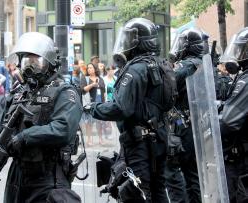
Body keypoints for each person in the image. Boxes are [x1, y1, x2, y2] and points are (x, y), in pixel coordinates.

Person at [85, 18, 170, 202]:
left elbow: (120, 107)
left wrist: (93, 108)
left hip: (139, 143)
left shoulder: (135, 70)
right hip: (160, 138)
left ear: (138, 42)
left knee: (137, 192)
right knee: (158, 189)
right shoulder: (162, 65)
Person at [0, 32, 82, 203]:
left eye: (36, 61)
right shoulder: (20, 93)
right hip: (18, 176)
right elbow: (4, 129)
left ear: (50, 63)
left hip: (48, 177)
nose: (30, 67)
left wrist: (25, 137)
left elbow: (63, 129)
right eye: (26, 62)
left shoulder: (65, 92)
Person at [166, 28, 207, 203]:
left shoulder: (190, 64)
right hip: (194, 125)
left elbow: (168, 78)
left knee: (175, 175)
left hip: (184, 128)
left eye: (182, 43)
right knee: (192, 176)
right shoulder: (203, 63)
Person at [218, 27, 248, 203]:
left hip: (241, 161)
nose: (237, 55)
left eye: (241, 50)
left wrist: (211, 129)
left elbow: (229, 121)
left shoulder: (246, 80)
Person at [81, 63, 106, 146]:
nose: (89, 69)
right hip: (90, 103)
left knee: (100, 123)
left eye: (91, 68)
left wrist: (105, 102)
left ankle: (101, 139)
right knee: (89, 123)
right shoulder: (85, 78)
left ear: (95, 69)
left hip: (100, 103)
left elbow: (103, 91)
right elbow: (83, 89)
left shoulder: (100, 79)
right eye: (88, 68)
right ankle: (89, 139)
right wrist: (92, 84)